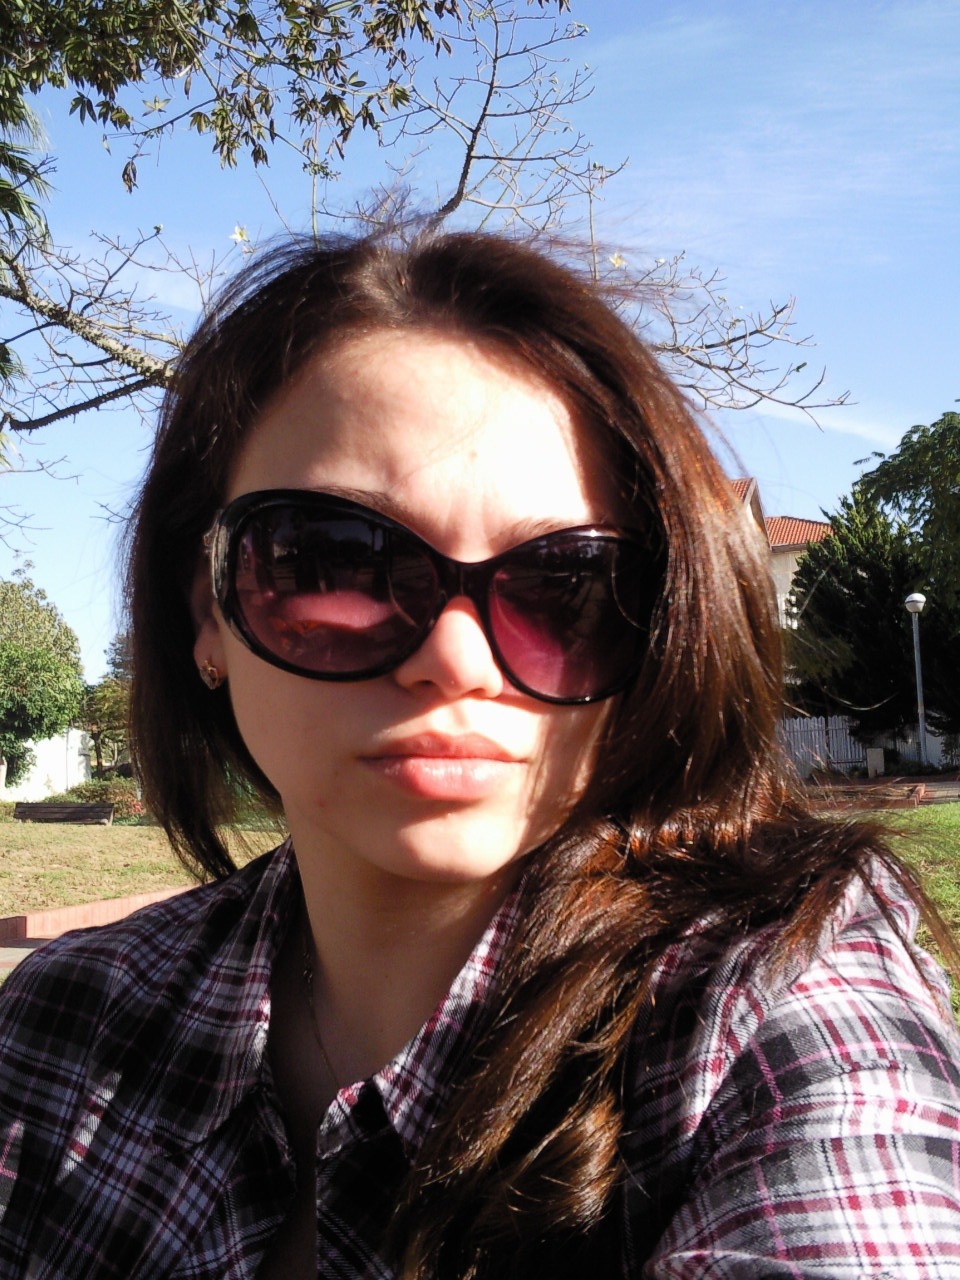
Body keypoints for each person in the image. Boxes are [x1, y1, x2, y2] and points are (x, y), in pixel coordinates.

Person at [0, 229, 958, 1280]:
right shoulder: (63, 1022)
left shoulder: (771, 1007)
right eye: (334, 561)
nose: (455, 663)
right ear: (207, 615)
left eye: (565, 583)